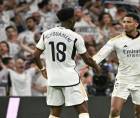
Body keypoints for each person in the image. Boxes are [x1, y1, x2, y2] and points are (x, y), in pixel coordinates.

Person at [34, 8, 100, 118]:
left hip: (53, 79)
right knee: (83, 109)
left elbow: (35, 55)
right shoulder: (75, 37)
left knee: (55, 112)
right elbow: (87, 59)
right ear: (70, 19)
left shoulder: (46, 34)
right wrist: (97, 67)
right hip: (70, 78)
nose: (76, 18)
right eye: (74, 16)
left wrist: (42, 69)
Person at [92, 13, 140, 118]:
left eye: (129, 22)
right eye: (124, 22)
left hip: (139, 80)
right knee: (114, 112)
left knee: (138, 112)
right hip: (123, 79)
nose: (125, 24)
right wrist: (87, 65)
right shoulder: (116, 40)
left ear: (136, 24)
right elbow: (99, 55)